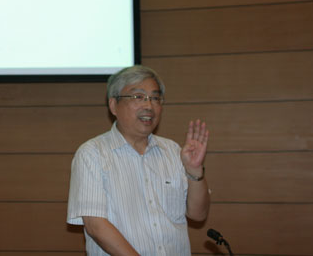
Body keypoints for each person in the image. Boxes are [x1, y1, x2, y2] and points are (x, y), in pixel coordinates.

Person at [67, 65, 210, 255]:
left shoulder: (173, 151)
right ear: (113, 105)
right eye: (138, 97)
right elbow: (95, 225)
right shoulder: (92, 154)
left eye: (155, 98)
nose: (149, 106)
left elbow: (198, 214)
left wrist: (195, 172)